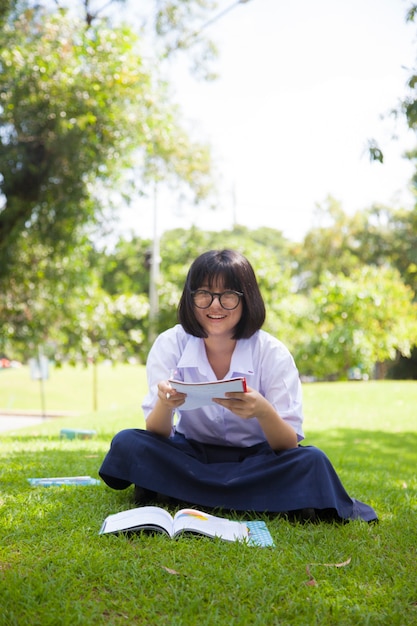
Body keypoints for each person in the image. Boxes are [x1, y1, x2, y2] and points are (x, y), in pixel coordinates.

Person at [99, 249, 377, 522]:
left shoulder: (272, 352)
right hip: (190, 455)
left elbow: (287, 445)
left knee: (312, 460)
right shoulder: (170, 344)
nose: (215, 305)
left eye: (228, 295)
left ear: (247, 300)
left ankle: (175, 490)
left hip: (258, 460)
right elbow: (157, 432)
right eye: (204, 294)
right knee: (128, 442)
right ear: (190, 298)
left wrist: (263, 411)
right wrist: (164, 403)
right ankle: (268, 499)